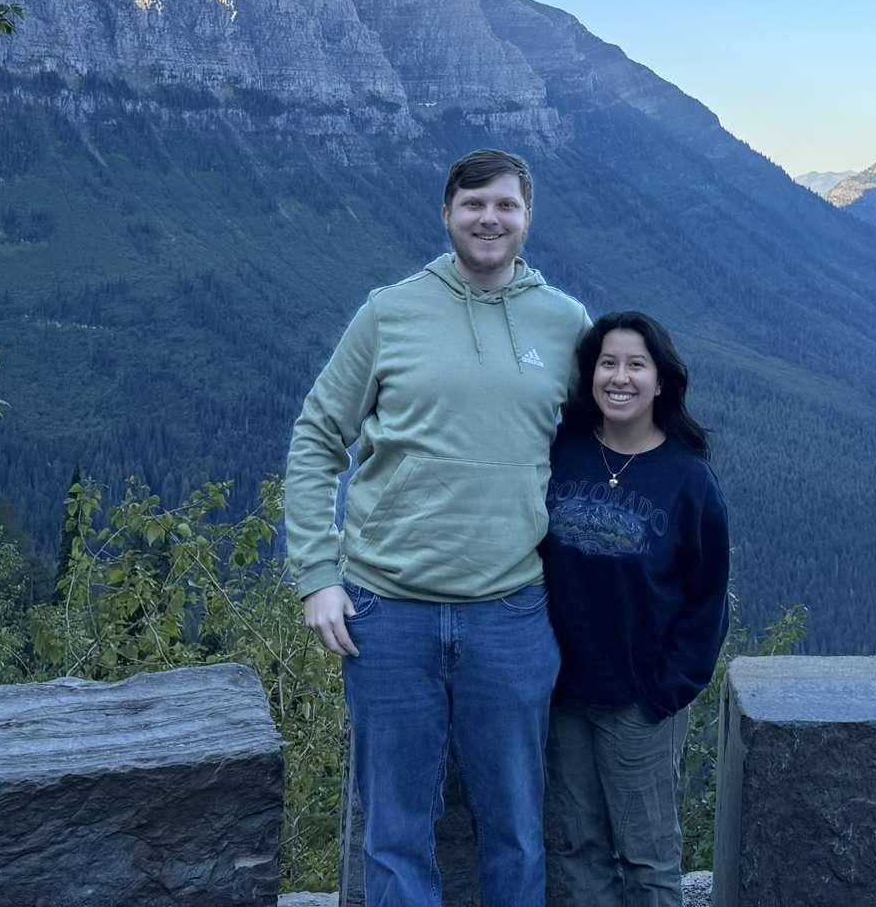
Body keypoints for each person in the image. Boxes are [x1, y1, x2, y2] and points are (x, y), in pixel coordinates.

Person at [284, 148, 590, 907]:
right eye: (473, 204)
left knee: (516, 824)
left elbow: (599, 452)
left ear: (527, 217)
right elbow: (317, 438)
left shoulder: (565, 322)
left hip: (512, 610)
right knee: (394, 830)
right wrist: (317, 575)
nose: (489, 219)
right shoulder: (388, 312)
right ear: (446, 213)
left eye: (505, 206)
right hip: (387, 613)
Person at [540, 310, 730, 907]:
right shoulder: (561, 453)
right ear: (589, 374)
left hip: (639, 704)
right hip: (562, 695)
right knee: (574, 849)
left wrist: (668, 689)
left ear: (661, 381)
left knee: (647, 857)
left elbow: (708, 597)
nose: (619, 378)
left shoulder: (687, 479)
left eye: (635, 365)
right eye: (607, 363)